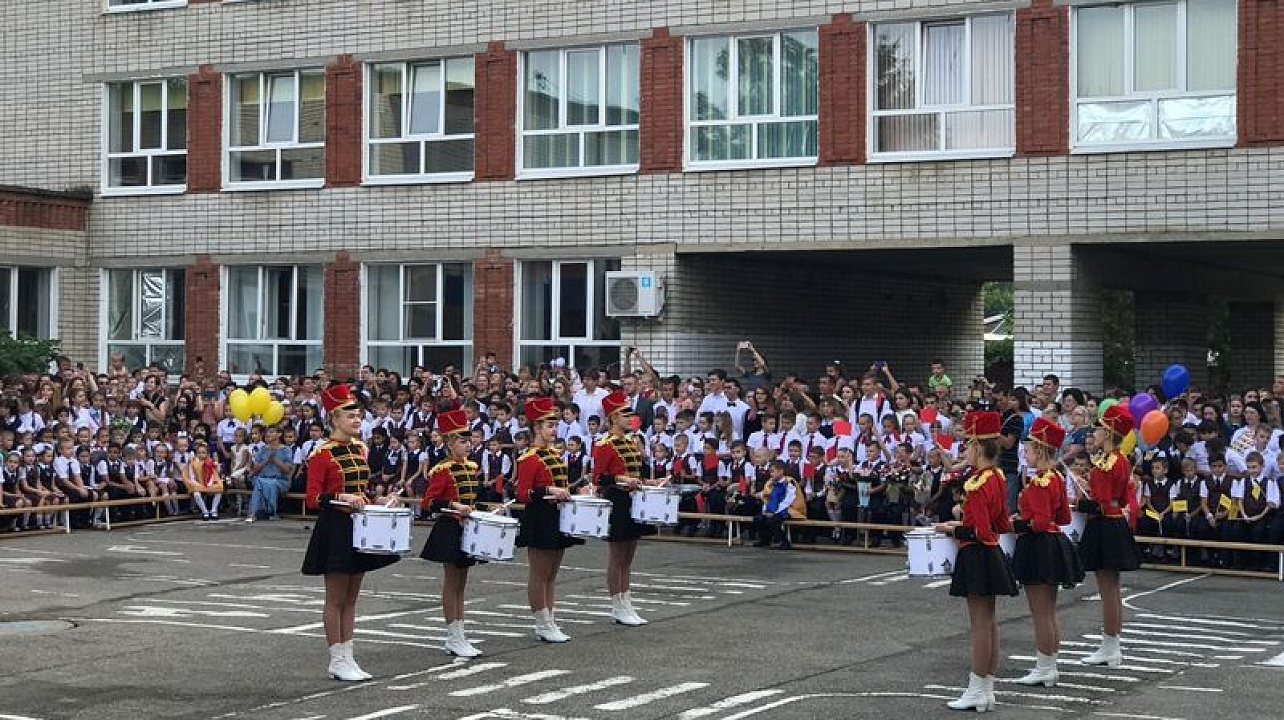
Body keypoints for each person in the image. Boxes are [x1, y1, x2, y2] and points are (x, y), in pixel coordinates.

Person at [301, 384, 400, 682]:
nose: (357, 420)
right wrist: (342, 498)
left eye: (358, 415)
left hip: (360, 524)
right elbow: (312, 498)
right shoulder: (322, 454)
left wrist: (377, 499)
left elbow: (363, 489)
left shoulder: (361, 449)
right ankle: (336, 659)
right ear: (334, 418)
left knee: (352, 597)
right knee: (335, 597)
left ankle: (349, 656)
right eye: (350, 415)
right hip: (335, 528)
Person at [934, 411, 1018, 713]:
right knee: (990, 624)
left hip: (976, 553)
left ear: (979, 447)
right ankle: (986, 689)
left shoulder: (976, 483)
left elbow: (981, 530)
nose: (964, 451)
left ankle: (976, 687)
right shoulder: (996, 477)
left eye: (968, 445)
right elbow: (1001, 524)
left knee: (980, 626)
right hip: (991, 552)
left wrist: (953, 527)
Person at [1010, 418, 1084, 687]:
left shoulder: (1041, 481)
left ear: (1040, 451)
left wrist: (1017, 522)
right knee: (1049, 611)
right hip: (1053, 543)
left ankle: (1044, 666)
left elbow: (1040, 522)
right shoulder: (1057, 477)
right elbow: (1063, 517)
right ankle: (1049, 665)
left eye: (1028, 450)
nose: (1025, 454)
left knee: (1040, 611)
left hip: (1038, 545)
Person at [1077, 404, 1142, 668]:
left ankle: (1110, 646)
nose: (1097, 432)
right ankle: (1111, 644)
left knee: (1108, 591)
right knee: (1112, 590)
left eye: (1101, 428)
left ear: (1111, 431)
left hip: (1105, 524)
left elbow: (1101, 502)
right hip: (1114, 524)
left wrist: (1079, 500)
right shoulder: (1119, 459)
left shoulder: (1108, 462)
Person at [418, 408, 484, 657]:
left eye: (469, 441)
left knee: (462, 583)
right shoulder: (441, 470)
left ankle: (460, 634)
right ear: (449, 443)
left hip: (468, 527)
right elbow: (429, 502)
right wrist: (454, 506)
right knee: (452, 582)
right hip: (449, 528)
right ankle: (453, 636)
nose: (468, 446)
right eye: (462, 441)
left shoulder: (472, 467)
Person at [515, 396, 581, 643]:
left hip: (557, 515)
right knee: (539, 573)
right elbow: (522, 493)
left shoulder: (554, 455)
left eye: (555, 425)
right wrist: (549, 492)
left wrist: (574, 493)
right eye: (549, 425)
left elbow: (560, 485)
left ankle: (550, 618)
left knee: (552, 573)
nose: (554, 430)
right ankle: (541, 621)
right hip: (539, 516)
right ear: (536, 428)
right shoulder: (529, 458)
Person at [593, 390, 658, 626]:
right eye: (624, 414)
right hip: (618, 501)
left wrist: (648, 481)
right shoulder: (604, 445)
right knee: (617, 555)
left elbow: (636, 473)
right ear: (612, 418)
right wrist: (622, 480)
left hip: (634, 500)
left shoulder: (631, 442)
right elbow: (599, 478)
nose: (629, 418)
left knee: (629, 556)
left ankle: (626, 601)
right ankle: (617, 604)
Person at [182, 440, 224, 521]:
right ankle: (205, 511)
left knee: (219, 490)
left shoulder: (210, 462)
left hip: (209, 483)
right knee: (196, 493)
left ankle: (213, 510)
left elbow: (214, 475)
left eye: (203, 452)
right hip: (197, 483)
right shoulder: (193, 462)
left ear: (207, 454)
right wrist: (197, 485)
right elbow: (191, 477)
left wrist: (216, 467)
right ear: (196, 453)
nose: (201, 454)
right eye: (199, 452)